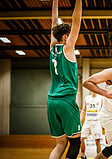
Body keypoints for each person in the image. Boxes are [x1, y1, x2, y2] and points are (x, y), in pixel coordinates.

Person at [47, 0, 82, 158]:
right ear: (66, 36)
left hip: (51, 101)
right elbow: (76, 20)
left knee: (60, 144)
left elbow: (54, 21)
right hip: (66, 101)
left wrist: (55, 1)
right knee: (75, 143)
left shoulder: (53, 47)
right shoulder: (68, 48)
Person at [79, 92, 103, 159]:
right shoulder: (87, 98)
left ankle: (99, 157)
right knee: (82, 138)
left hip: (96, 122)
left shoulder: (100, 98)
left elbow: (103, 111)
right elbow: (83, 110)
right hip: (87, 121)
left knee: (97, 141)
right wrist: (80, 120)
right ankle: (83, 155)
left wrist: (103, 122)